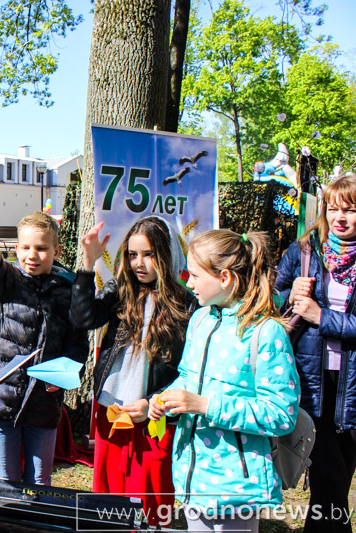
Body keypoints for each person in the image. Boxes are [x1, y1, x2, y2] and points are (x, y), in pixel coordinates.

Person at [149, 230, 299, 533]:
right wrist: (164, 397)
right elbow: (188, 375)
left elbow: (281, 414)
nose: (187, 283)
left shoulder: (266, 333)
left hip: (237, 484)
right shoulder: (200, 320)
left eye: (194, 275)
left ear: (226, 278)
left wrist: (206, 405)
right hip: (193, 473)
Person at [0, 147, 88, 486]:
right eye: (27, 247)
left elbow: (78, 346)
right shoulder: (5, 282)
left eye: (42, 248)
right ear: (16, 248)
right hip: (0, 402)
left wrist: (63, 377)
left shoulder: (68, 290)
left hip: (43, 407)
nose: (33, 255)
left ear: (57, 251)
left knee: (40, 482)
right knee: (6, 481)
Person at [71, 216, 195, 527]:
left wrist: (156, 402)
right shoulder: (121, 290)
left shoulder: (186, 304)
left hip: (154, 416)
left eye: (149, 254)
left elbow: (191, 371)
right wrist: (88, 263)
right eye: (132, 254)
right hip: (112, 410)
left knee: (151, 502)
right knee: (108, 502)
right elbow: (83, 317)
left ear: (165, 254)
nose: (139, 263)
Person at [275, 174, 356, 533]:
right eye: (333, 208)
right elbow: (271, 308)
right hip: (311, 382)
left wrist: (321, 316)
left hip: (351, 387)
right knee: (329, 478)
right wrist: (289, 295)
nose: (340, 217)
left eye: (350, 209)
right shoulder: (303, 251)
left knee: (338, 477)